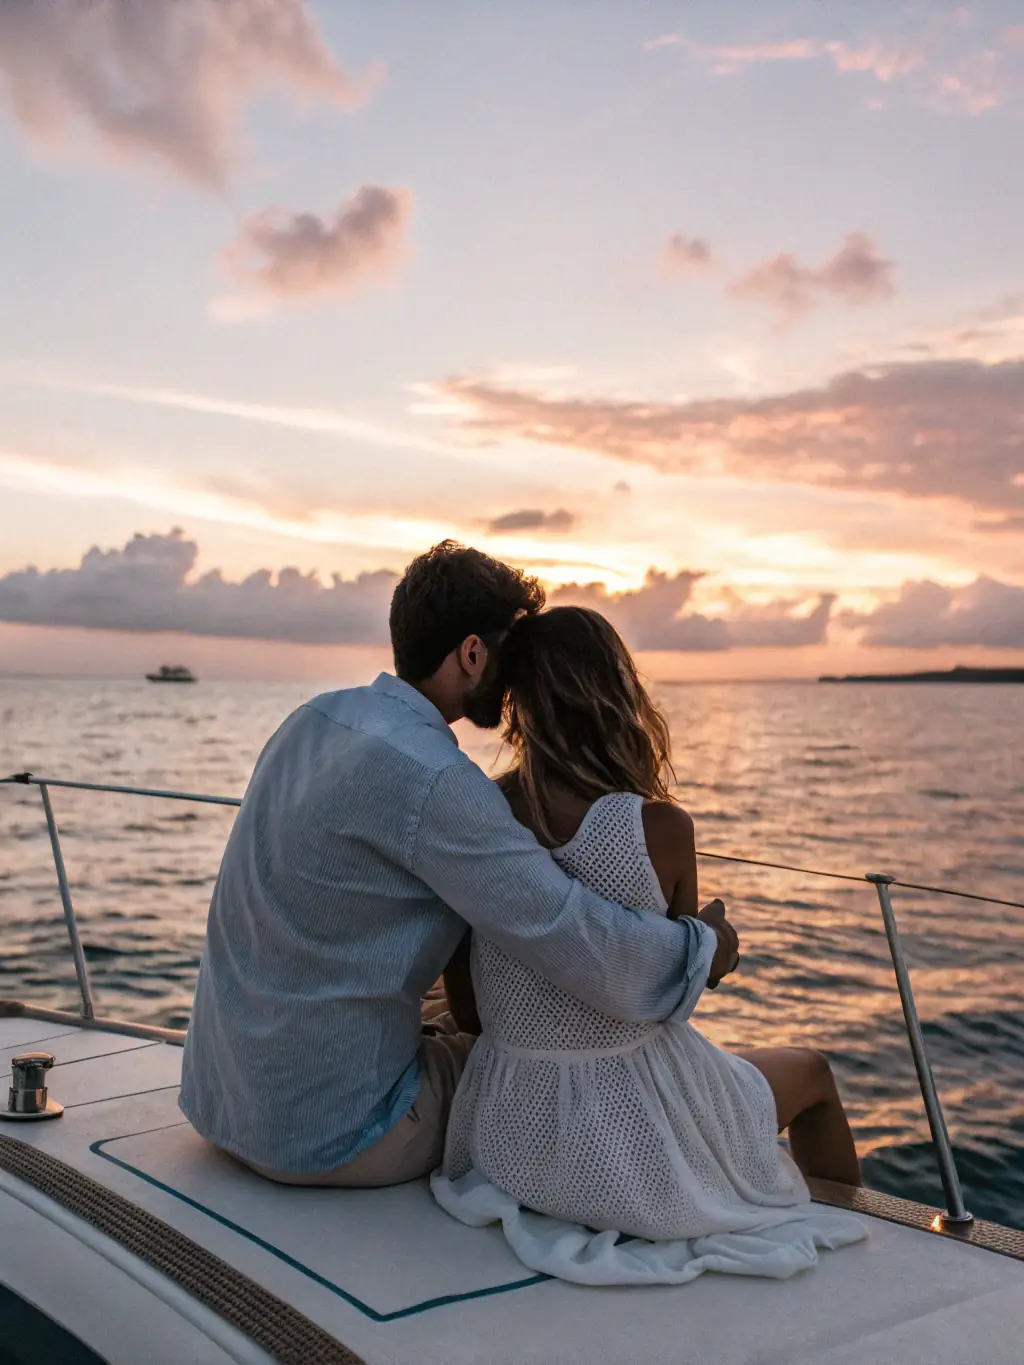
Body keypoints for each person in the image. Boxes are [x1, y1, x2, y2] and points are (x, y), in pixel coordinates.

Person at [179, 544, 738, 1188]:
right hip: (333, 1135)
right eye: (508, 654)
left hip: (224, 1101)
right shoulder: (439, 782)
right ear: (473, 654)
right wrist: (705, 945)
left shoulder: (310, 721)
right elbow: (578, 937)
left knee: (451, 1013)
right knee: (527, 1070)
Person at [433, 606, 864, 1283]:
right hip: (630, 1140)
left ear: (519, 702)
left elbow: (469, 1014)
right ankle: (865, 1245)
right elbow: (666, 1002)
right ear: (616, 692)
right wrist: (714, 948)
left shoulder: (481, 818)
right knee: (811, 1070)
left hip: (507, 1131)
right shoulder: (659, 827)